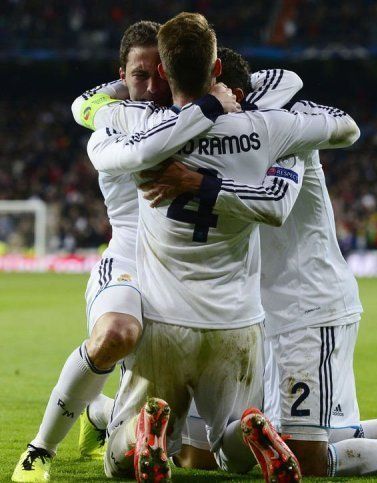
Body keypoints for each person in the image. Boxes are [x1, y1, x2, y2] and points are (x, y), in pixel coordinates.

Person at [137, 47, 377, 477]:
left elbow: (276, 202)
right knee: (210, 454)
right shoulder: (215, 130)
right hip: (257, 314)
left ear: (233, 92)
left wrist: (200, 183)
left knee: (308, 460)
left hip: (307, 305)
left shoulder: (285, 131)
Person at [85, 11, 360, 481]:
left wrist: (105, 106)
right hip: (237, 323)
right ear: (217, 73)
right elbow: (345, 128)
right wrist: (271, 105)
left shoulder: (145, 131)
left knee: (121, 458)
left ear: (162, 74)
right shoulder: (270, 129)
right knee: (227, 448)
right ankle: (254, 428)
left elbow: (93, 116)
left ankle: (135, 431)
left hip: (167, 320)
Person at [11, 20, 240, 483]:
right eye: (139, 75)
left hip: (190, 272)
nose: (152, 85)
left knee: (188, 448)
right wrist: (211, 103)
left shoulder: (198, 116)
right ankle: (38, 451)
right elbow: (132, 138)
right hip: (131, 258)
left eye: (161, 72)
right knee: (116, 333)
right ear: (121, 76)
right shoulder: (115, 122)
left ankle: (99, 414)